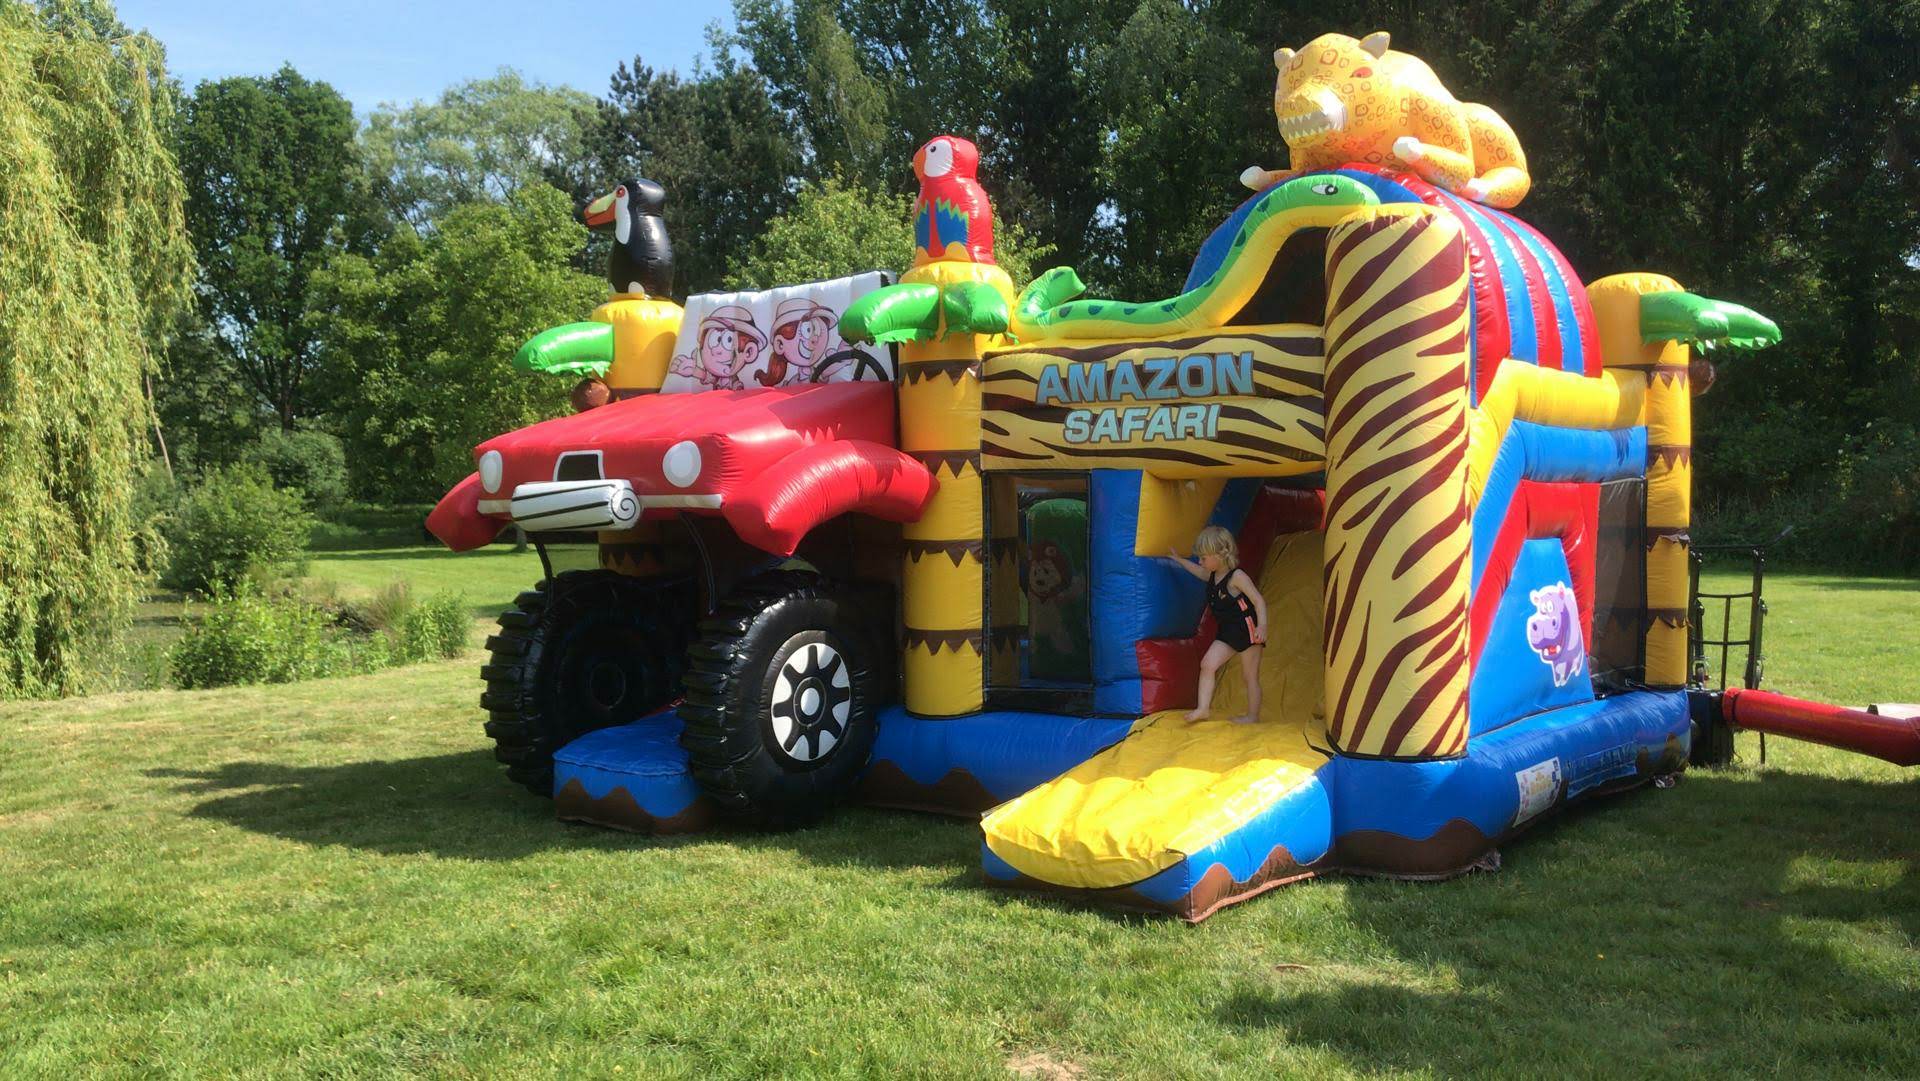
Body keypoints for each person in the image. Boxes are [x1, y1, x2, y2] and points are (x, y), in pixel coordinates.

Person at [1165, 526, 1268, 723]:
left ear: (1220, 555)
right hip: (1227, 632)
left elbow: (1258, 600)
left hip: (1247, 631)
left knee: (1249, 676)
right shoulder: (1212, 575)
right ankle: (1203, 709)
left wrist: (1262, 626)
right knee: (1207, 664)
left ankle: (1253, 716)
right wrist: (1179, 560)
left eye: (1203, 558)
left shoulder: (1237, 577)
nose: (1200, 562)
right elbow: (1197, 571)